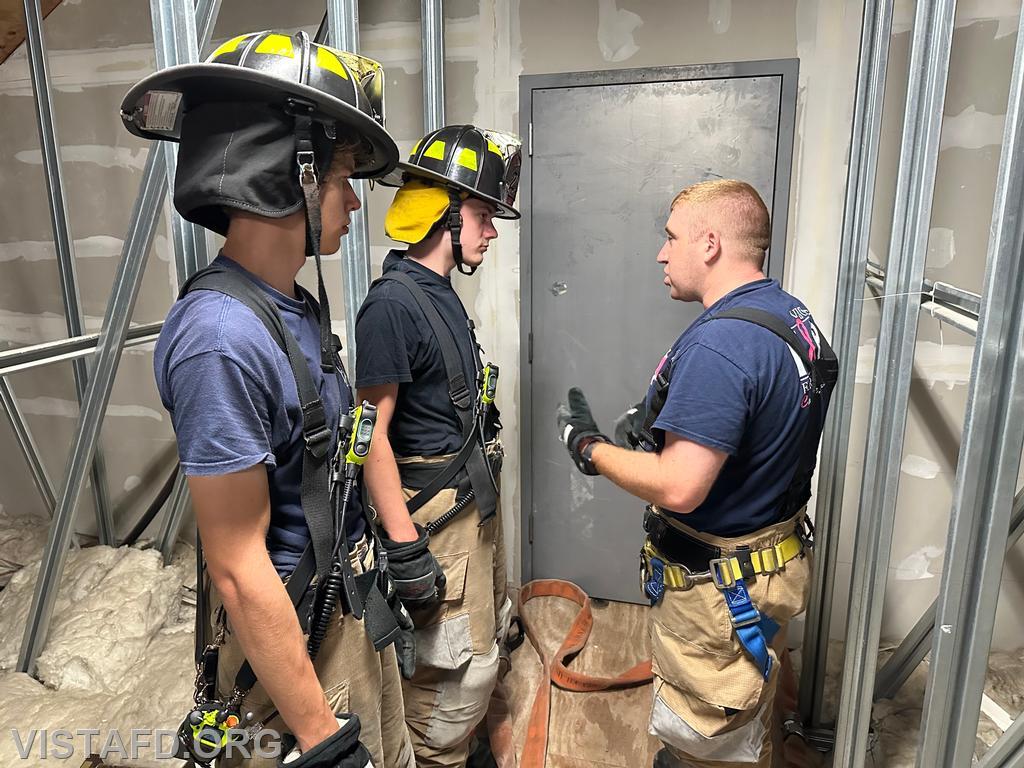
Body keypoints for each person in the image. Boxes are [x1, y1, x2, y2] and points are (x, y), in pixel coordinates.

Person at [121, 30, 414, 768]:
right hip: (287, 655)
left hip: (338, 614)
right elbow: (237, 566)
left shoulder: (293, 307)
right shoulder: (222, 336)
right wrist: (323, 740)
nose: (353, 199)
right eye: (343, 176)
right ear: (294, 174)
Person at [555, 179, 838, 768]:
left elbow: (681, 486)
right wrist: (662, 411)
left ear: (709, 244)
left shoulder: (723, 346)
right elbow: (761, 416)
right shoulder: (787, 316)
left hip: (721, 592)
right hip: (772, 559)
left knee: (707, 734)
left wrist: (589, 449)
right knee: (747, 708)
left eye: (671, 236)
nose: (662, 252)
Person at [354, 124, 521, 768]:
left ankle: (463, 745)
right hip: (434, 520)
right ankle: (438, 756)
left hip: (468, 509)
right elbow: (370, 437)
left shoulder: (440, 294)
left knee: (482, 649)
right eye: (483, 214)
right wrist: (403, 547)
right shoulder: (392, 306)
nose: (492, 231)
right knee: (446, 677)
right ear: (444, 215)